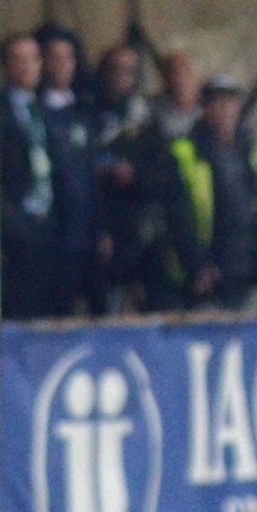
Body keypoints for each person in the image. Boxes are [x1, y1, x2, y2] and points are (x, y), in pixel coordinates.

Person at [164, 75, 257, 312]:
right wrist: (198, 264)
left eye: (231, 102)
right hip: (209, 271)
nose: (226, 110)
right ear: (204, 108)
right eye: (218, 102)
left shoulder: (249, 147)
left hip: (246, 267)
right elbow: (179, 217)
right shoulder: (186, 150)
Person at [38, 27, 103, 320]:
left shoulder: (84, 111)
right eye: (55, 58)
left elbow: (92, 173)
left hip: (87, 229)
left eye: (69, 58)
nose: (63, 65)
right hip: (55, 233)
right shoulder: (36, 112)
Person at [0, 33, 65, 319]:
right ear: (6, 66)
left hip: (50, 221)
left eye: (33, 59)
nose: (28, 67)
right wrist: (12, 220)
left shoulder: (46, 110)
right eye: (19, 60)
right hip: (19, 221)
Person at [91, 42, 161, 312]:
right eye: (116, 70)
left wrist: (134, 175)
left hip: (140, 229)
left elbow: (162, 175)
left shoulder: (147, 119)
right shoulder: (89, 113)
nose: (122, 77)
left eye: (129, 71)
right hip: (101, 227)